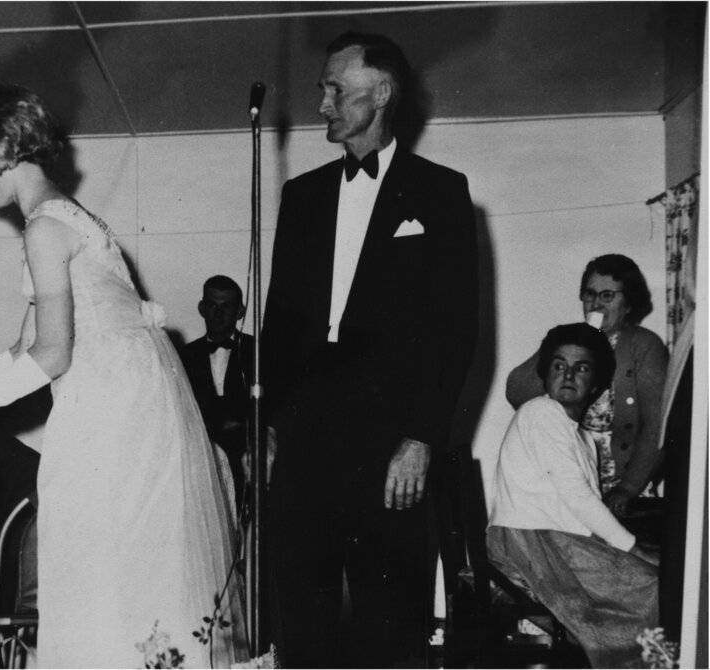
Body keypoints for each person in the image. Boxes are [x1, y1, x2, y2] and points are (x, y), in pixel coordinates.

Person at [0, 84, 248, 668]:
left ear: (3, 151)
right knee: (129, 560)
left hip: (108, 403)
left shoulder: (43, 230)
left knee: (99, 558)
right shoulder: (71, 217)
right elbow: (21, 347)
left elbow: (50, 356)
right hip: (130, 393)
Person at [260, 32, 478, 667]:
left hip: (390, 439)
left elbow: (455, 329)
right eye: (324, 89)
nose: (323, 102)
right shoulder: (301, 196)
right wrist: (270, 424)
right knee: (298, 606)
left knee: (390, 612)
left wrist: (420, 437)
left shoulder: (440, 191)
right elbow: (280, 322)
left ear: (381, 94)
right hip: (303, 432)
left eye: (336, 88)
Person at [489, 323, 659, 669]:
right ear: (546, 375)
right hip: (529, 544)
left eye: (580, 367)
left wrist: (621, 549)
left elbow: (581, 506)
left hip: (554, 541)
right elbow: (577, 497)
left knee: (653, 567)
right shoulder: (540, 413)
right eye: (558, 365)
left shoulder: (581, 437)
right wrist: (629, 548)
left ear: (595, 384)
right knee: (651, 583)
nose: (567, 374)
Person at [506, 254, 668, 517]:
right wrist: (560, 343)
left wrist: (627, 489)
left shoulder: (645, 346)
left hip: (625, 492)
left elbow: (657, 426)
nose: (596, 304)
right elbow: (516, 395)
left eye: (607, 296)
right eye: (589, 294)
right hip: (567, 486)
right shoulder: (572, 341)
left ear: (627, 304)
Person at [181, 275, 254, 514]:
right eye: (212, 305)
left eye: (227, 306)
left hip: (245, 456)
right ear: (202, 308)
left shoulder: (259, 353)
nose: (218, 313)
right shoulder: (183, 355)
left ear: (240, 311)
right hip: (201, 456)